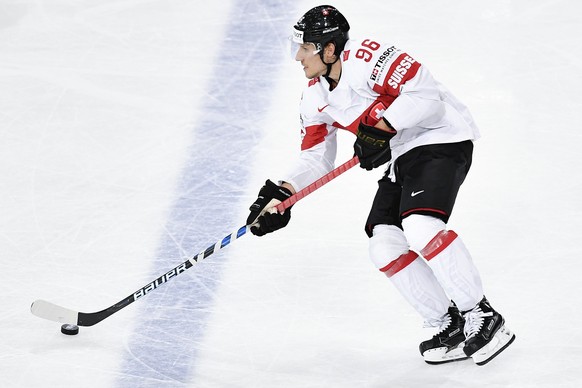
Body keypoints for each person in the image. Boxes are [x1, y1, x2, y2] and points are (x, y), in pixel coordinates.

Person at [246, 5, 515, 366]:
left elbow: (425, 94)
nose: (298, 57)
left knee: (421, 226)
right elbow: (315, 157)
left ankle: (482, 314)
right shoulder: (315, 97)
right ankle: (448, 323)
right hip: (405, 154)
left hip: (441, 138)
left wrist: (384, 127)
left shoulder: (369, 57)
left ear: (329, 49)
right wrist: (283, 192)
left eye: (305, 48)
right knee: (384, 244)